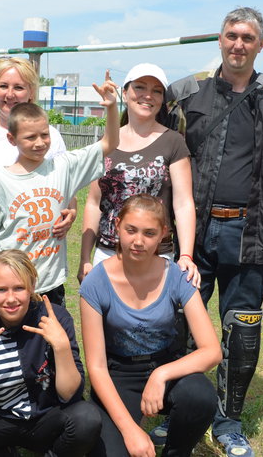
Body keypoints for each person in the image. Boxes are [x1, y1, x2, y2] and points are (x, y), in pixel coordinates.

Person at [166, 6, 263, 457]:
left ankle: (228, 422)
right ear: (220, 39)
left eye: (248, 37)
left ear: (261, 44)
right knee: (181, 325)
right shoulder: (186, 92)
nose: (238, 44)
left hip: (252, 236)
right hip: (193, 233)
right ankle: (180, 412)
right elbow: (156, 150)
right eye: (231, 35)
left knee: (242, 331)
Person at [80, 194, 221, 457]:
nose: (138, 241)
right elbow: (96, 367)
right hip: (119, 372)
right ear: (117, 226)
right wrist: (130, 430)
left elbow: (212, 350)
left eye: (149, 233)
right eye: (131, 230)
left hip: (167, 364)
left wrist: (161, 374)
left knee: (200, 397)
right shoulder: (95, 283)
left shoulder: (177, 276)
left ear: (163, 234)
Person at [0, 74, 120, 311]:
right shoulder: (1, 182)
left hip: (51, 285)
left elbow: (109, 144)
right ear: (12, 138)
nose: (39, 142)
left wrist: (111, 108)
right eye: (30, 137)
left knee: (55, 344)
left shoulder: (63, 166)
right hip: (13, 288)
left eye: (44, 135)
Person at [0, 250, 101, 456]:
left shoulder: (55, 319)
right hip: (0, 419)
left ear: (32, 286)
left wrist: (61, 347)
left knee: (87, 418)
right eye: (0, 289)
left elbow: (71, 396)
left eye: (19, 288)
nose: (11, 299)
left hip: (48, 417)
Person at [78, 62, 198, 285]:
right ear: (125, 92)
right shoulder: (105, 143)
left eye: (156, 91)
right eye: (140, 87)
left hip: (156, 255)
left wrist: (186, 255)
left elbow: (183, 203)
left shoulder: (173, 142)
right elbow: (94, 203)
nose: (148, 96)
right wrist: (85, 257)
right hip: (108, 253)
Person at [0, 56, 75, 283]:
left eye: (19, 87)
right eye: (3, 86)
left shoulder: (50, 135)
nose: (10, 94)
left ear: (31, 92)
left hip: (33, 245)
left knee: (38, 315)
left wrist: (70, 212)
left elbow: (66, 185)